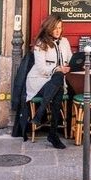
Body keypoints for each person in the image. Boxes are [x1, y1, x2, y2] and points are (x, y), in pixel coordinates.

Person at [26, 14, 73, 149]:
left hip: (55, 83)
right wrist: (57, 68)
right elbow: (41, 68)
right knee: (58, 77)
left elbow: (70, 58)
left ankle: (41, 115)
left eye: (60, 27)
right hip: (38, 82)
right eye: (55, 28)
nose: (58, 31)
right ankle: (52, 134)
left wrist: (76, 62)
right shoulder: (41, 43)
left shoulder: (65, 42)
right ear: (48, 28)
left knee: (58, 82)